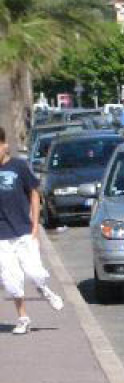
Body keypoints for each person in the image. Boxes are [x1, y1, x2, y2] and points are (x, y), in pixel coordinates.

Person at [0, 126, 63, 334]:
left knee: (34, 272)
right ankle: (23, 318)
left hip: (24, 230)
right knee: (11, 278)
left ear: (5, 146)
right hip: (2, 235)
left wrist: (35, 224)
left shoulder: (18, 166)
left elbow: (34, 194)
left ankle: (45, 290)